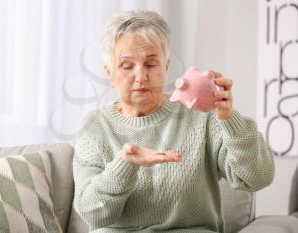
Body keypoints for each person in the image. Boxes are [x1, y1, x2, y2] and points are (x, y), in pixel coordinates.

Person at [73, 10, 274, 233]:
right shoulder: (94, 125)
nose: (140, 76)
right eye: (127, 66)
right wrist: (124, 164)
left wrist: (229, 119)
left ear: (166, 66)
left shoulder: (200, 115)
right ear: (109, 71)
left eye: (151, 64)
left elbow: (257, 178)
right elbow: (92, 213)